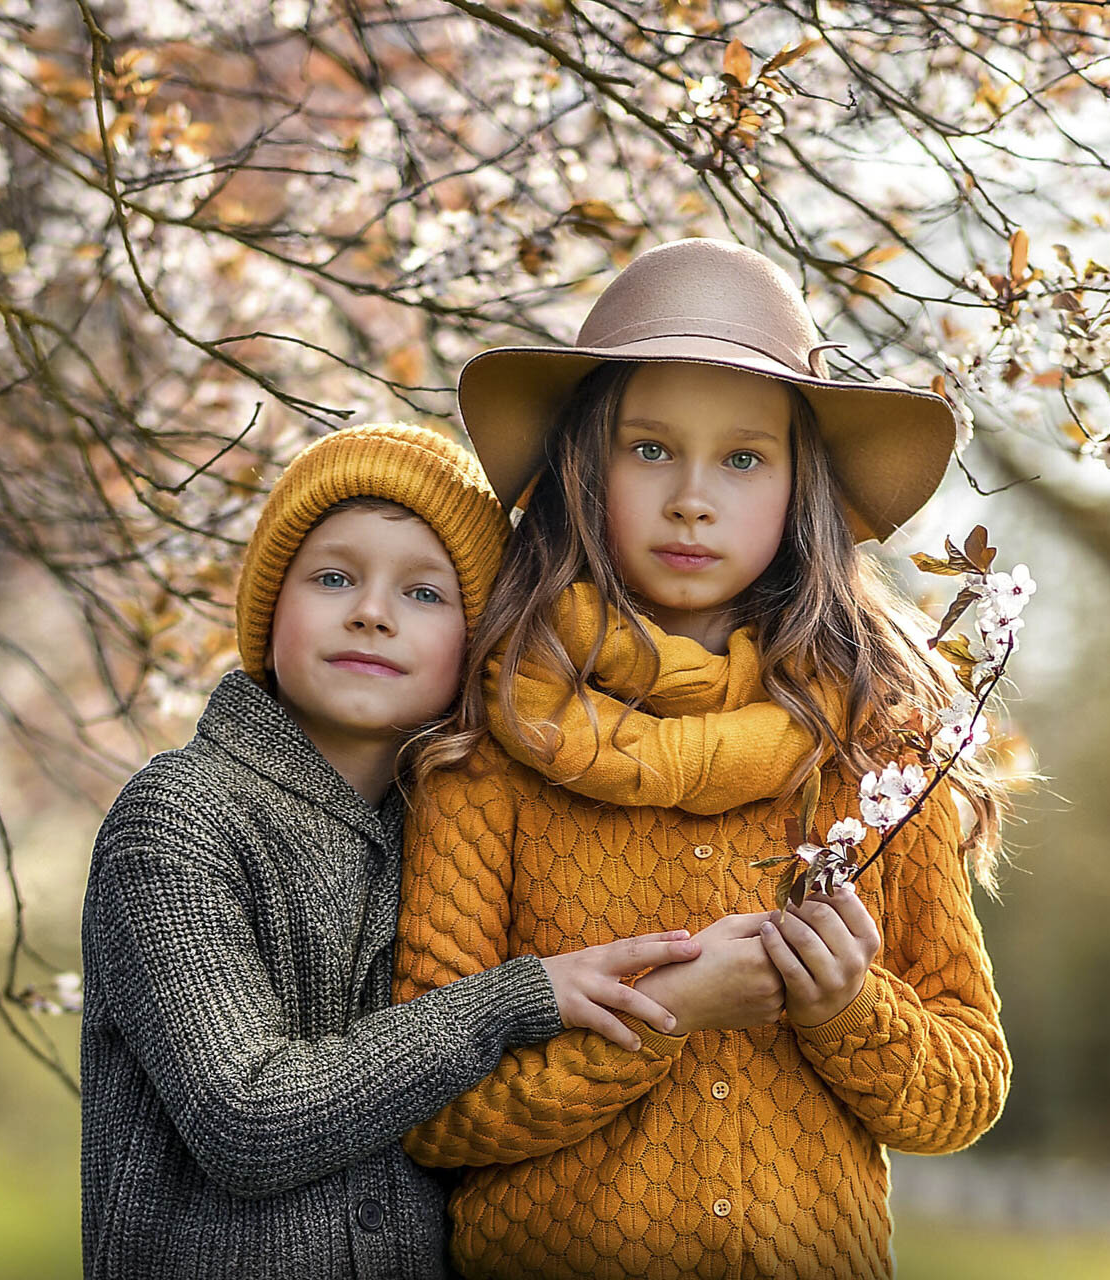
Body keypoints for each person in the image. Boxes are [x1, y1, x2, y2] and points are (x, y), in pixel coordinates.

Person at [394, 239, 1012, 1279]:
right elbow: (429, 1104)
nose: (692, 495)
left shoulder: (874, 756)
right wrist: (665, 1013)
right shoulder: (486, 755)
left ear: (797, 483)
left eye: (742, 457)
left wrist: (845, 1006)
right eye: (648, 449)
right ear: (585, 466)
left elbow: (967, 1087)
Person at [80, 423, 721, 1279]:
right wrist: (516, 1000)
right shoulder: (179, 819)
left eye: (425, 594)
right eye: (334, 577)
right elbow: (247, 1120)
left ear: (477, 645)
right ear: (269, 611)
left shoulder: (451, 834)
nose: (372, 612)